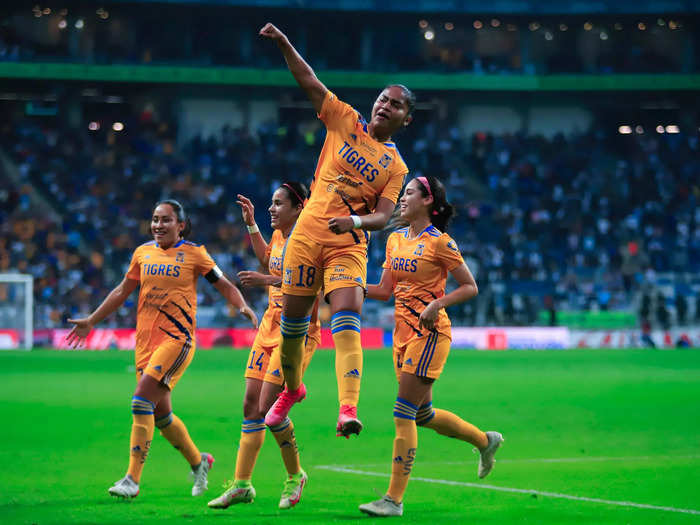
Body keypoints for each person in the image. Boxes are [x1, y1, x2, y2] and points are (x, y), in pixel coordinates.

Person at [259, 22, 414, 437]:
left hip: (348, 243)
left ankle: (348, 408)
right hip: (306, 236)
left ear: (406, 119)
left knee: (346, 318)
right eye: (384, 99)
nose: (386, 106)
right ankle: (293, 389)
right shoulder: (344, 119)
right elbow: (308, 80)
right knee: (293, 331)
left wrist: (356, 222)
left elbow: (383, 217)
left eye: (396, 105)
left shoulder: (396, 167)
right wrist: (286, 43)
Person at [66, 199, 258, 499]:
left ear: (180, 224)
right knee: (161, 416)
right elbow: (121, 291)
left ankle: (131, 479)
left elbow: (224, 285)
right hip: (145, 343)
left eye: (165, 220)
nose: (158, 225)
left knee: (141, 402)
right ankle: (200, 462)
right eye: (155, 219)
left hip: (176, 340)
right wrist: (92, 320)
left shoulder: (195, 253)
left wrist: (242, 306)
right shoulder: (142, 253)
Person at [359, 177, 504, 517]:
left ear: (427, 200)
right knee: (422, 414)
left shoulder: (441, 243)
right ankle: (486, 441)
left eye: (409, 193)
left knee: (403, 413)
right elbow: (384, 290)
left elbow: (470, 286)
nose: (402, 198)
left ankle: (393, 500)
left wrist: (437, 304)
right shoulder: (394, 239)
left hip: (431, 335)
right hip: (402, 337)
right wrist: (347, 285)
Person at [208, 182, 320, 510]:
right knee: (249, 406)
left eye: (278, 204)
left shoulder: (312, 240)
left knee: (268, 408)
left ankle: (295, 474)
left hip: (296, 331)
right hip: (269, 323)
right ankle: (242, 484)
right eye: (270, 203)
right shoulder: (282, 236)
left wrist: (269, 281)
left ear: (299, 208)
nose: (272, 208)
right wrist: (251, 223)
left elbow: (313, 284)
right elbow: (268, 259)